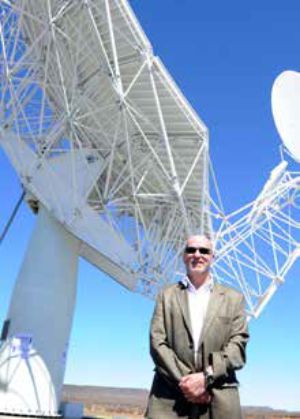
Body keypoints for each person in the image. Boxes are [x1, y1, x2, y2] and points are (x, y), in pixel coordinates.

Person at [145, 234, 249, 419]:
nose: (197, 254)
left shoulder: (234, 299)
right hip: (170, 397)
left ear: (212, 257)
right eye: (191, 250)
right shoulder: (166, 296)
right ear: (184, 256)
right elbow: (157, 343)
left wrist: (205, 378)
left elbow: (237, 348)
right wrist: (188, 384)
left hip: (218, 398)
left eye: (204, 250)